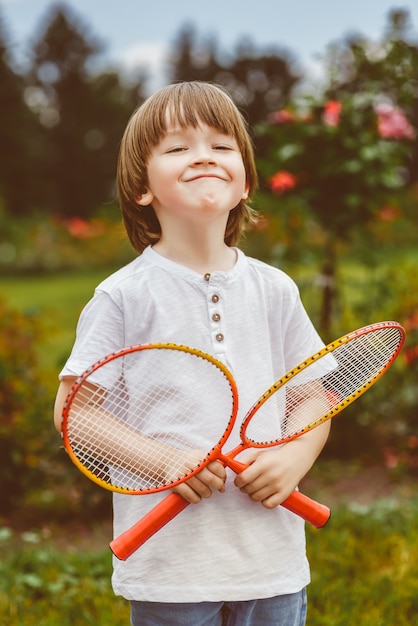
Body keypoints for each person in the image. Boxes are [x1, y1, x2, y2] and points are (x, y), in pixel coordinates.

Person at [54, 81, 330, 626]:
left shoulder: (275, 289)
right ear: (141, 188)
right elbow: (75, 413)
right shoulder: (124, 296)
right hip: (170, 569)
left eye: (221, 145)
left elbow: (313, 393)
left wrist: (295, 456)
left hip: (270, 561)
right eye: (178, 147)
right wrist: (163, 463)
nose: (203, 154)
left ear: (245, 180)